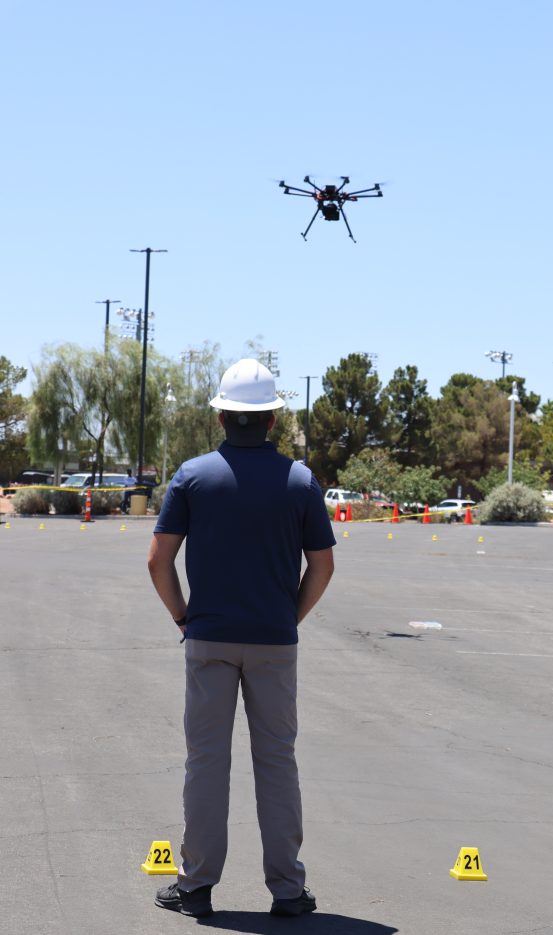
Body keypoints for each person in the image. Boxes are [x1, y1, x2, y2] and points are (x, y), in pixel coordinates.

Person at [147, 358, 336, 919]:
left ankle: (198, 885)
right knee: (277, 761)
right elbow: (321, 567)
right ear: (272, 420)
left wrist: (185, 618)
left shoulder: (193, 476)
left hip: (209, 639)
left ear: (223, 416)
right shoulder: (301, 482)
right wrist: (289, 619)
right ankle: (287, 890)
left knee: (206, 762)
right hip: (275, 641)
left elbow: (159, 560)